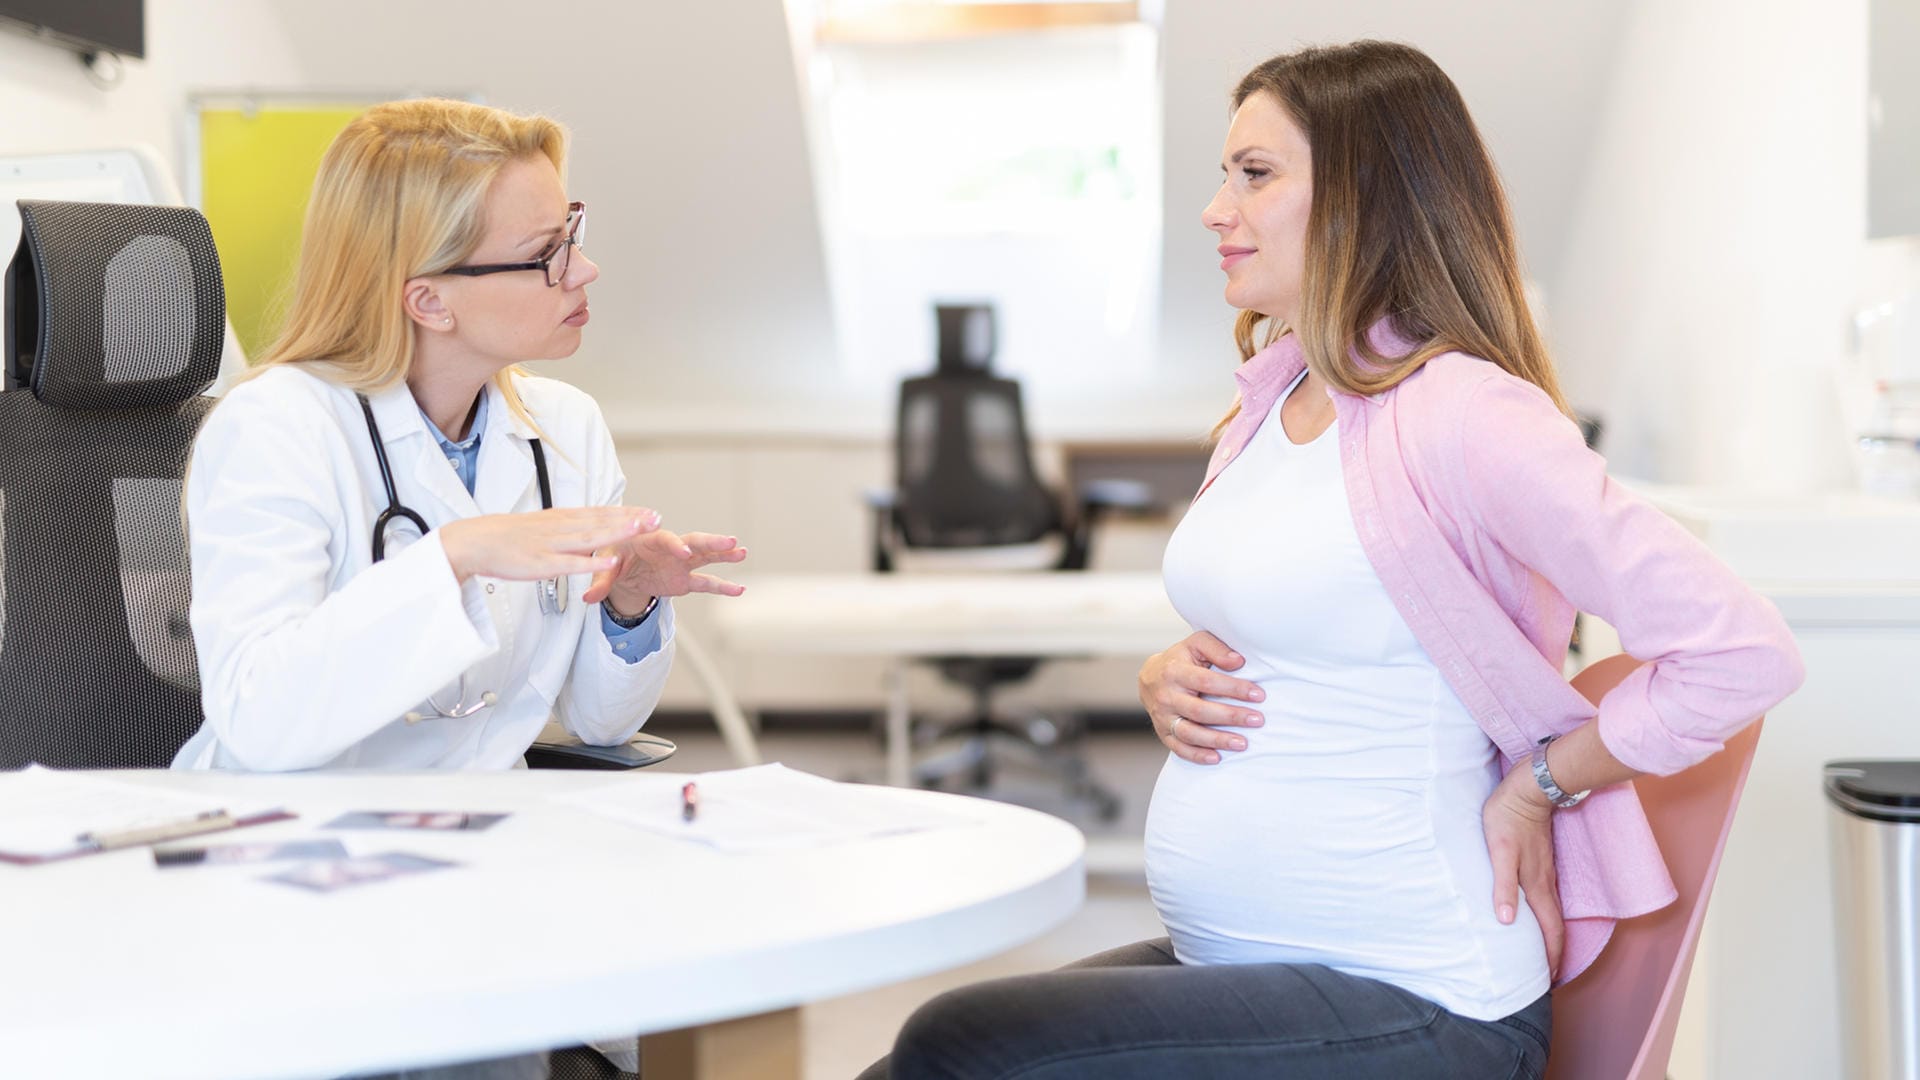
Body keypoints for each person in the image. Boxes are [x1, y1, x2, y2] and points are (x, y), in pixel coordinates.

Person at [862, 41, 1804, 1079]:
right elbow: (1331, 615)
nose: (1218, 210)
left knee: (957, 1048)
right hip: (1252, 966)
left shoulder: (1465, 412)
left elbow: (1741, 652)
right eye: (1224, 176)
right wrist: (1169, 671)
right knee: (913, 1058)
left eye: (1255, 175)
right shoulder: (1272, 395)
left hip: (1419, 997)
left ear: (1367, 193)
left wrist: (1542, 780)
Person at [173, 98, 744, 775]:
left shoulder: (564, 428)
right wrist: (454, 557)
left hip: (486, 832)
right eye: (545, 255)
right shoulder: (275, 427)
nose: (584, 270)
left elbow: (601, 722)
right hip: (291, 836)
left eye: (572, 234)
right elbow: (259, 720)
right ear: (430, 301)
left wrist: (629, 601)